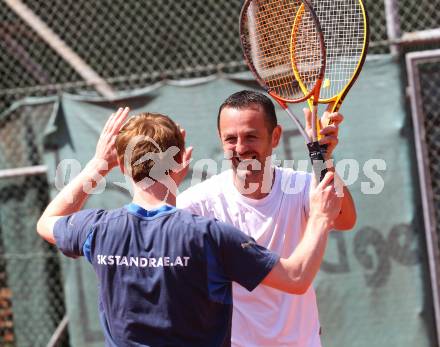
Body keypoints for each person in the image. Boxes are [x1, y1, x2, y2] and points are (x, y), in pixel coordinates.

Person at [37, 107, 342, 347]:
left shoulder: (98, 229)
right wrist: (319, 218)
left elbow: (47, 222)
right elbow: (296, 277)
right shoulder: (207, 235)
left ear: (121, 165)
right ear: (181, 159)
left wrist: (97, 165)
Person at [177, 90, 357, 347]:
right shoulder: (197, 204)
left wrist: (322, 157)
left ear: (275, 137)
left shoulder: (302, 186)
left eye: (251, 136)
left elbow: (344, 219)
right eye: (230, 139)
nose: (240, 148)